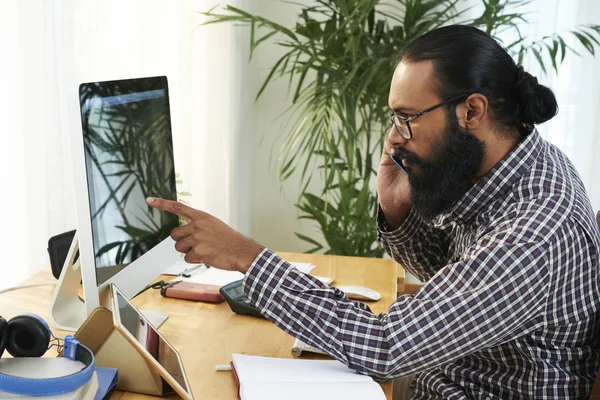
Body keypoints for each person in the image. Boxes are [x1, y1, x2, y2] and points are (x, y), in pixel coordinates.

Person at [146, 25, 600, 399]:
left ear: (472, 111)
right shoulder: (513, 166)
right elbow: (458, 285)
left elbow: (385, 346)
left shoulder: (535, 230)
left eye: (407, 117)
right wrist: (397, 211)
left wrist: (247, 256)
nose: (396, 136)